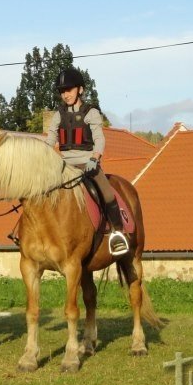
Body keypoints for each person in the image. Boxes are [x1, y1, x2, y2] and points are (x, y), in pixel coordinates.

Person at [45, 67, 128, 256]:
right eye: (62, 91)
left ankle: (117, 233)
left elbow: (100, 139)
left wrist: (95, 158)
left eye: (69, 90)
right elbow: (50, 139)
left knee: (107, 193)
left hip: (88, 164)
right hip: (65, 166)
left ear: (80, 90)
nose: (65, 95)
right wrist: (42, 155)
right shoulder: (58, 115)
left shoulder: (91, 113)